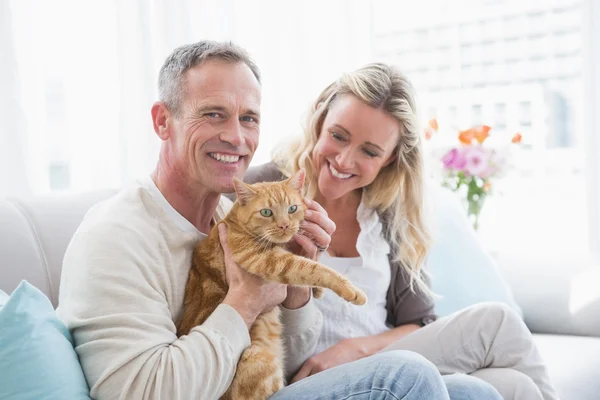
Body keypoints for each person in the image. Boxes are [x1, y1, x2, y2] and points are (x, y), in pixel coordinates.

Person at [54, 40, 494, 400]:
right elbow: (138, 392)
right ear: (162, 121)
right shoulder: (116, 236)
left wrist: (296, 290)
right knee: (406, 376)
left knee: (476, 395)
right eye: (213, 114)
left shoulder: (238, 215)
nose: (236, 136)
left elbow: (285, 362)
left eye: (249, 118)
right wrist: (244, 302)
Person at [242, 62, 561, 400]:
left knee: (514, 388)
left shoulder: (385, 213)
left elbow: (418, 321)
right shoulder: (260, 192)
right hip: (314, 378)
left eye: (369, 151)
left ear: (390, 158)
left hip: (385, 368)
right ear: (320, 121)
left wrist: (357, 348)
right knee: (497, 322)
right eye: (339, 136)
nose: (345, 161)